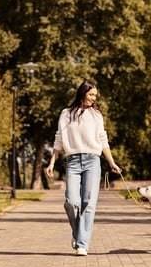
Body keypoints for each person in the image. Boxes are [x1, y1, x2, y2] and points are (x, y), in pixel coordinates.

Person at [45, 80, 121, 256]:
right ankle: (78, 232)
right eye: (91, 94)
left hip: (93, 161)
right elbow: (59, 139)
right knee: (71, 201)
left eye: (95, 95)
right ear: (82, 93)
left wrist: (111, 162)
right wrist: (52, 162)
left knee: (89, 203)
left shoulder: (96, 115)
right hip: (72, 161)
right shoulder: (66, 114)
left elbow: (103, 140)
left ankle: (82, 244)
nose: (94, 98)